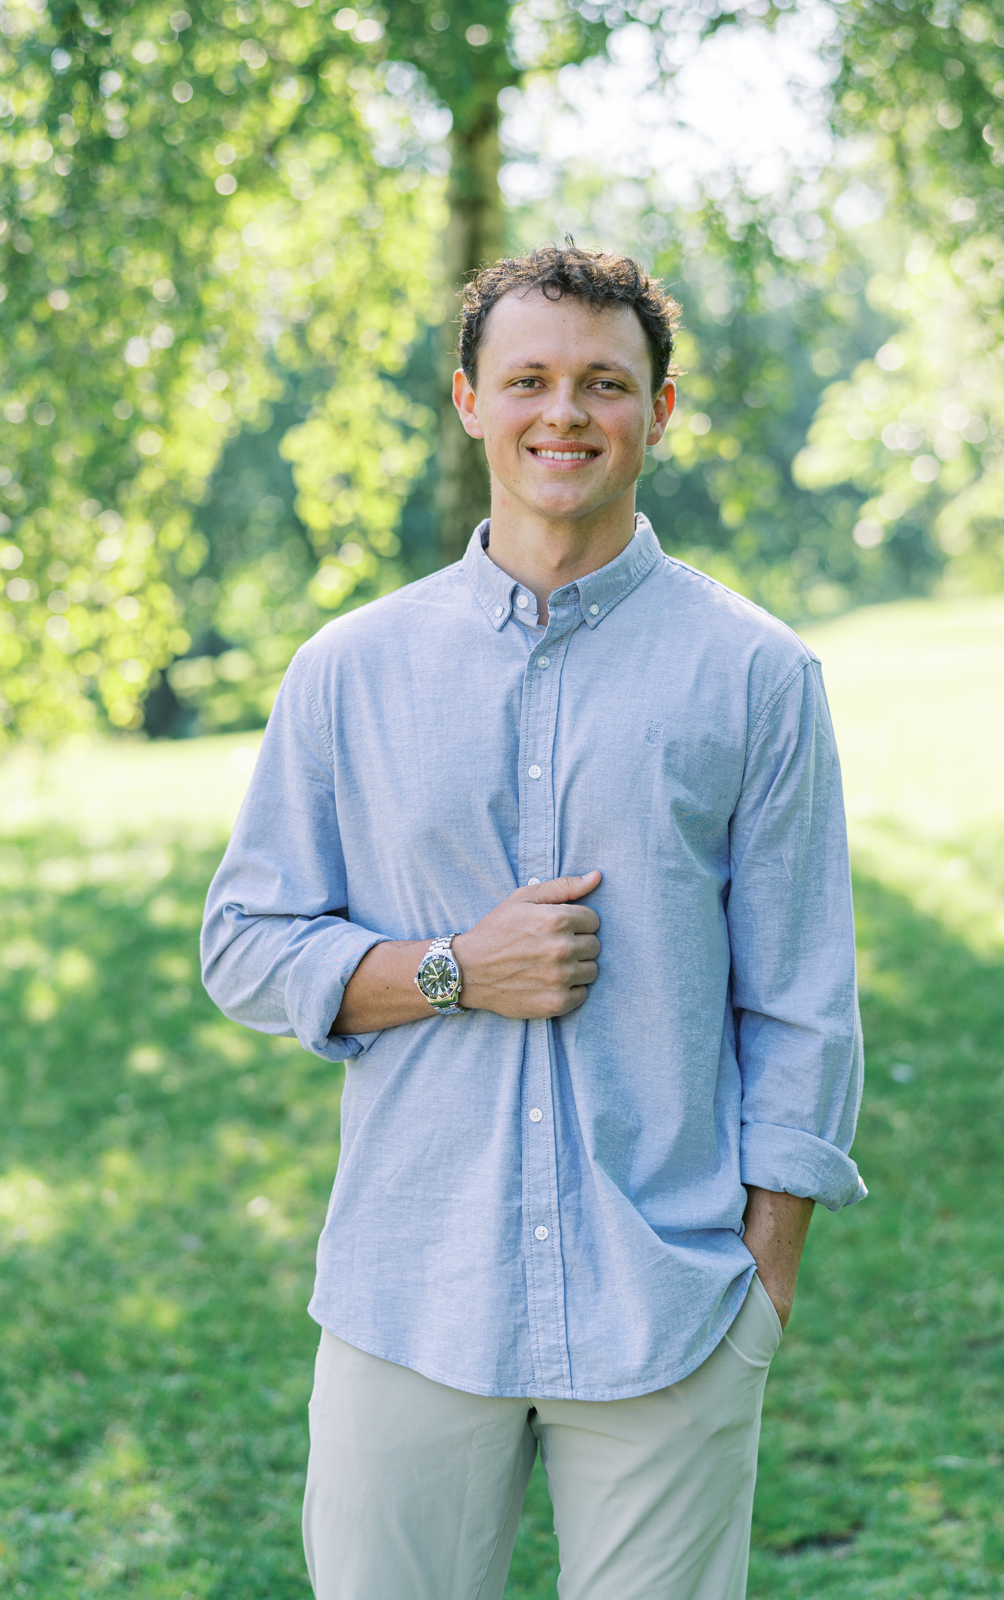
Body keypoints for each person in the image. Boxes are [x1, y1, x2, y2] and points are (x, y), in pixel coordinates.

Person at [201, 244, 865, 1600]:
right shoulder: (348, 671)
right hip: (408, 1293)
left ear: (659, 413)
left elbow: (802, 1001)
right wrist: (453, 969)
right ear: (468, 401)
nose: (565, 412)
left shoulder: (757, 676)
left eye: (604, 382)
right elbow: (243, 943)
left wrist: (763, 1287)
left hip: (672, 1301)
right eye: (530, 380)